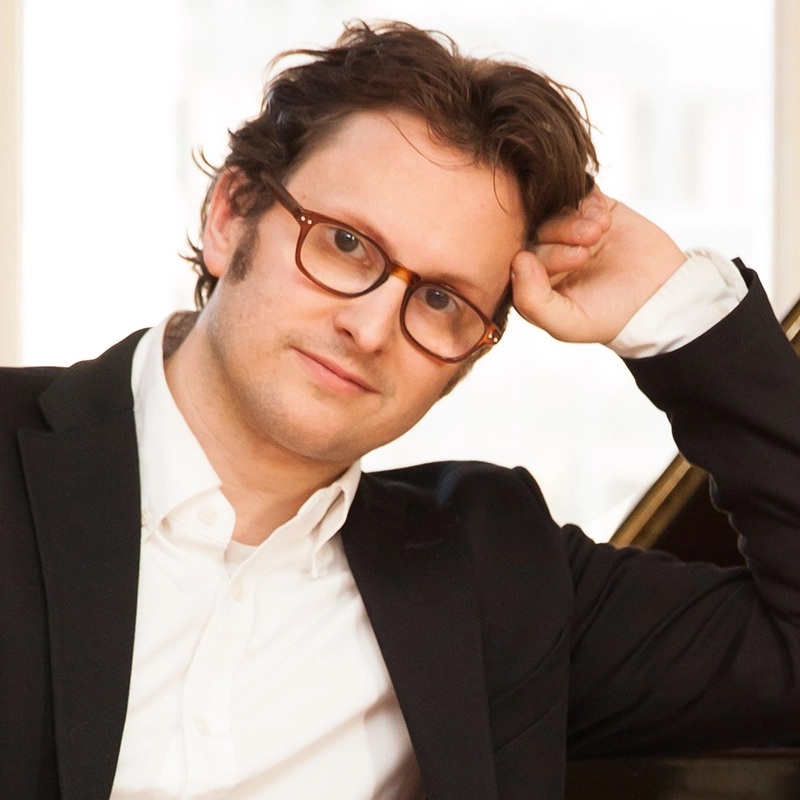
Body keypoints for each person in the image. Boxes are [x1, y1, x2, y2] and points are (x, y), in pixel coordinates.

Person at [2, 20, 800, 800]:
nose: (373, 326)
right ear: (230, 213)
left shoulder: (497, 576)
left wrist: (676, 311)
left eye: (442, 299)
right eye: (346, 243)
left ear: (474, 352)